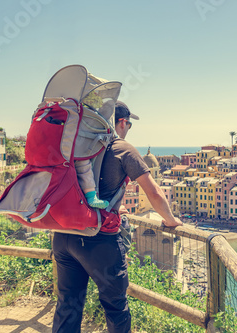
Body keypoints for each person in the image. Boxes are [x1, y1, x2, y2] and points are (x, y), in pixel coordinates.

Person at [52, 101, 183, 333]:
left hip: (64, 235)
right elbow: (153, 191)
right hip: (98, 239)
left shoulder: (77, 145)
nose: (128, 129)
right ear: (122, 123)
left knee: (68, 304)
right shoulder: (122, 148)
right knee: (116, 307)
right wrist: (171, 220)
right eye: (129, 124)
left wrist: (115, 206)